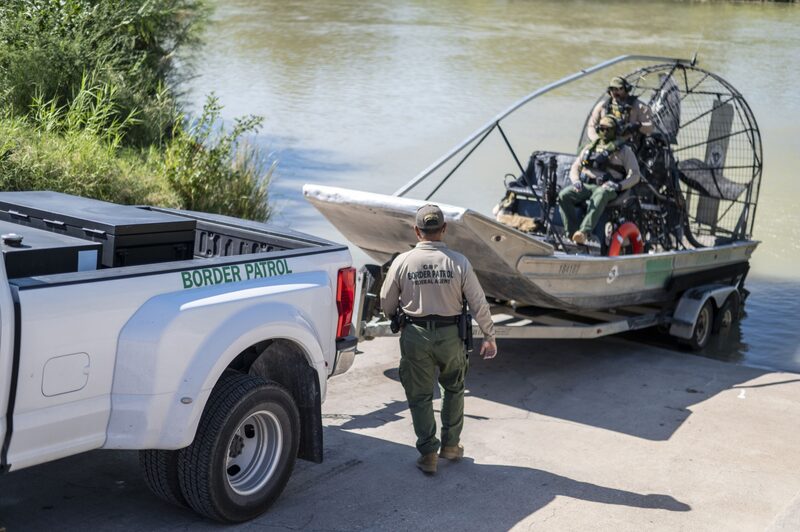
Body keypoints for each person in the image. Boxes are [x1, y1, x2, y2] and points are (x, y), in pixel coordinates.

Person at [380, 204, 498, 475]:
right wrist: (489, 335)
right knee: (454, 389)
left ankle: (428, 453)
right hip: (451, 336)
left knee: (420, 396)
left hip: (415, 335)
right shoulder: (459, 262)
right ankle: (451, 446)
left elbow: (387, 301)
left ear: (416, 230)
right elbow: (479, 303)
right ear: (444, 229)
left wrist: (393, 316)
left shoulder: (402, 261)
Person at [559, 115, 641, 244]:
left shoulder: (624, 151)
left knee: (600, 193)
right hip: (587, 185)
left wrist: (619, 186)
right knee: (564, 195)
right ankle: (572, 234)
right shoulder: (589, 148)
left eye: (609, 129)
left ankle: (583, 232)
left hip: (609, 188)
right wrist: (576, 181)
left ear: (616, 131)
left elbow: (635, 175)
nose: (605, 132)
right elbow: (576, 166)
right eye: (602, 129)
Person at [587, 76, 654, 147]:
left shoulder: (639, 107)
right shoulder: (602, 106)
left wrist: (637, 126)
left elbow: (650, 128)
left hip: (629, 145)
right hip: (606, 144)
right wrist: (597, 141)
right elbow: (591, 126)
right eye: (612, 89)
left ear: (626, 89)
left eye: (619, 89)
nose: (615, 92)